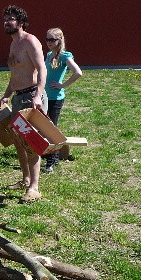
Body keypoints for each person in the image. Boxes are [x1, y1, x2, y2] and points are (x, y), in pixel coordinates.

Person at [0, 5, 48, 203]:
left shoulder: (30, 41)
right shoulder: (13, 44)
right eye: (5, 19)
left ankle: (34, 187)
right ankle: (26, 179)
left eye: (11, 19)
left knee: (31, 142)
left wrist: (38, 96)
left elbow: (42, 69)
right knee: (19, 140)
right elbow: (15, 75)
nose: (7, 22)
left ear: (20, 22)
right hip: (18, 97)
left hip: (31, 98)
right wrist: (6, 95)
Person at [43, 27, 83, 174]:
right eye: (47, 39)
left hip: (56, 98)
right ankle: (52, 156)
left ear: (60, 40)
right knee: (44, 127)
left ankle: (51, 161)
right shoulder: (48, 55)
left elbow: (78, 73)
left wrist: (62, 85)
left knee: (51, 129)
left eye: (52, 40)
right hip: (45, 97)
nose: (49, 42)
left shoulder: (65, 56)